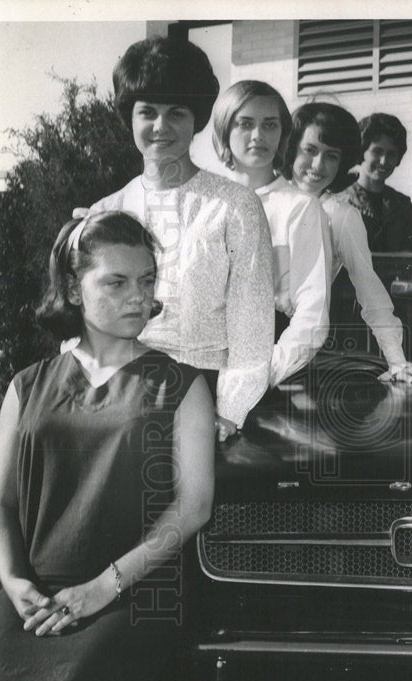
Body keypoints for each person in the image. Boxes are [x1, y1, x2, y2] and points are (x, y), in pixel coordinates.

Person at [0, 212, 215, 681]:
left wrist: (102, 587)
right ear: (73, 288)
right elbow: (0, 505)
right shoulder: (26, 385)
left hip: (134, 598)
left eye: (146, 280)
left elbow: (193, 508)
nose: (138, 296)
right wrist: (16, 583)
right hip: (33, 593)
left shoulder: (183, 385)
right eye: (115, 282)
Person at [86, 36, 274, 441]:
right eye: (147, 112)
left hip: (203, 395)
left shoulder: (235, 206)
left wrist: (228, 411)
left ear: (198, 119)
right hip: (116, 396)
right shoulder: (106, 211)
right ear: (129, 118)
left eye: (177, 112)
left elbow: (252, 329)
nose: (161, 126)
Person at [285, 101, 412, 384]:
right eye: (310, 150)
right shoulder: (260, 201)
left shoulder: (340, 214)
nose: (318, 165)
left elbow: (370, 287)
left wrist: (398, 360)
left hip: (313, 346)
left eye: (331, 156)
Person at [212, 80, 331, 385]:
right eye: (245, 123)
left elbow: (312, 314)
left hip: (270, 372)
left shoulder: (301, 208)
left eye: (270, 125)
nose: (258, 136)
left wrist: (259, 376)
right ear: (225, 129)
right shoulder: (204, 203)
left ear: (283, 134)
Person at [337, 112, 412, 253]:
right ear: (362, 150)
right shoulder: (339, 201)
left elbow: (407, 263)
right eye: (377, 152)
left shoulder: (403, 205)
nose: (384, 161)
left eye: (391, 154)